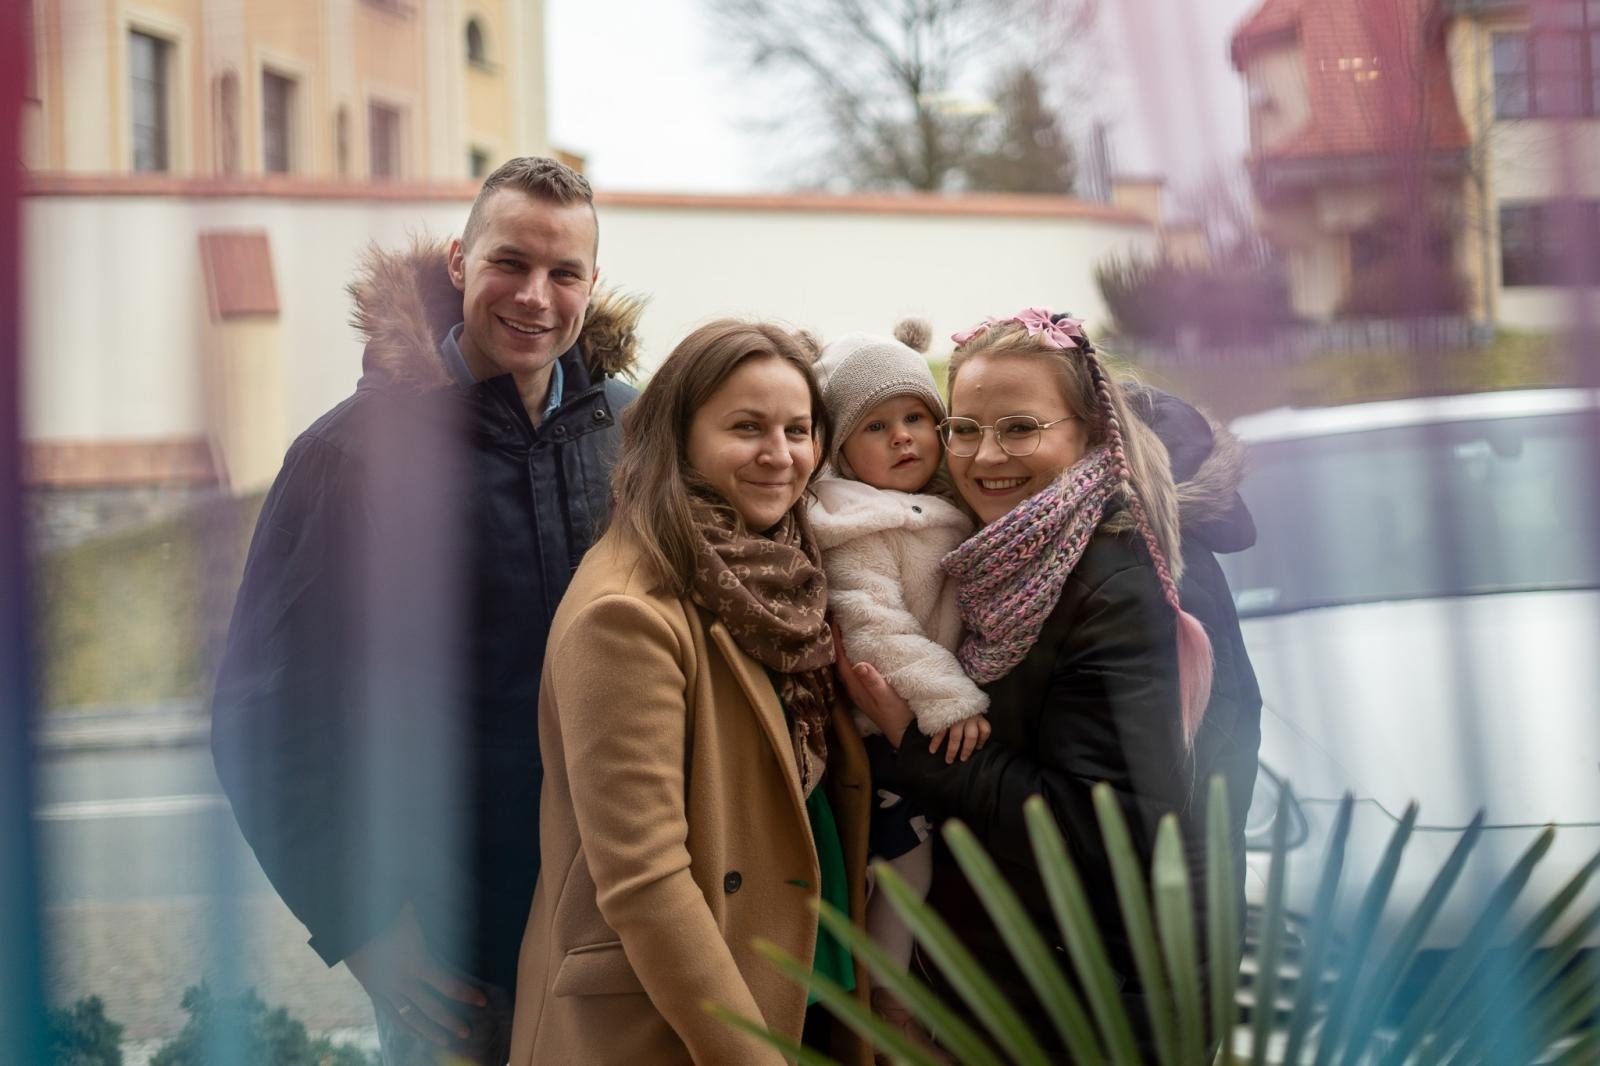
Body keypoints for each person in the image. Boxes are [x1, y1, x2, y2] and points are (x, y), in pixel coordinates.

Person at [210, 157, 640, 1065]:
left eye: (564, 273)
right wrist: (362, 926)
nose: (534, 296)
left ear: (592, 284)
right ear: (457, 261)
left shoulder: (638, 436)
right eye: (508, 263)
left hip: (619, 918)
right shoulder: (350, 455)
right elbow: (266, 713)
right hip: (452, 947)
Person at [841, 308, 1262, 1056]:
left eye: (1020, 427)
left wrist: (913, 744)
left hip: (1107, 1006)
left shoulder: (1125, 583)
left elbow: (1109, 829)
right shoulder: (1012, 558)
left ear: (1090, 433)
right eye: (965, 428)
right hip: (1040, 983)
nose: (984, 455)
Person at [509, 321, 871, 1066]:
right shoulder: (627, 611)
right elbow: (645, 880)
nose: (781, 455)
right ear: (678, 437)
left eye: (798, 430)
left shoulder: (779, 574)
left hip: (801, 974)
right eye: (747, 428)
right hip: (685, 1024)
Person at [807, 318, 989, 1034]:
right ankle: (887, 1003)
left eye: (917, 417)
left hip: (921, 720)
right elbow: (874, 626)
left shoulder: (940, 507)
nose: (904, 436)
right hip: (883, 729)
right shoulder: (852, 525)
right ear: (843, 450)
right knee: (903, 864)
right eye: (876, 427)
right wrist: (948, 698)